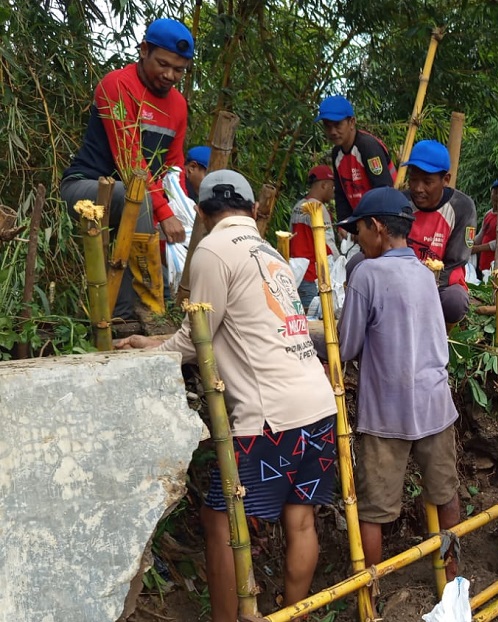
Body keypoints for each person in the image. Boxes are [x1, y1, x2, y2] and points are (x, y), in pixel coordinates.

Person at [116, 170, 338, 622]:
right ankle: (293, 614)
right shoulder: (271, 252)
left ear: (200, 213)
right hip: (318, 404)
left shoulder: (212, 250)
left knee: (220, 523)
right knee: (301, 521)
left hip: (270, 415)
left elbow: (197, 337)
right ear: (255, 210)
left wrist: (149, 346)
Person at [335, 186, 461, 581]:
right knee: (445, 493)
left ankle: (370, 593)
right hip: (435, 405)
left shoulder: (366, 273)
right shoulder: (425, 274)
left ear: (376, 227)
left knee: (374, 509)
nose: (357, 241)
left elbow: (347, 346)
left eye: (358, 232)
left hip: (386, 413)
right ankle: (454, 575)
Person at [61, 18, 193, 319]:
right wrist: (164, 212)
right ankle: (140, 311)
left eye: (180, 70)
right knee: (136, 197)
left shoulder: (179, 105)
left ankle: (151, 309)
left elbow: (174, 167)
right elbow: (129, 159)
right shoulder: (117, 85)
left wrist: (181, 207)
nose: (170, 75)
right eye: (163, 64)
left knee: (155, 208)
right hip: (87, 186)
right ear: (143, 50)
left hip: (138, 195)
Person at [401, 140, 476, 325]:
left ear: (446, 180)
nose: (418, 188)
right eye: (413, 179)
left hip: (440, 284)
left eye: (427, 182)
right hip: (399, 280)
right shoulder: (400, 202)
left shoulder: (462, 208)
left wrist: (421, 286)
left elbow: (456, 261)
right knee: (357, 263)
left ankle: (442, 339)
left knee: (455, 301)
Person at [316, 95, 396, 222]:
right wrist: (344, 223)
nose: (333, 131)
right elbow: (341, 193)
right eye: (327, 126)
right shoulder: (337, 153)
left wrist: (372, 225)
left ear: (351, 122)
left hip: (383, 219)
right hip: (361, 220)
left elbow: (383, 189)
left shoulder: (368, 147)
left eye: (337, 125)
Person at [288, 165, 339, 309]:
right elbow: (328, 244)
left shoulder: (298, 206)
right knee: (314, 322)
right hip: (312, 275)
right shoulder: (318, 209)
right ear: (324, 185)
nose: (333, 191)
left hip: (296, 273)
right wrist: (340, 264)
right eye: (332, 186)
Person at [471, 179, 498, 277]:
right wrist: (469, 244)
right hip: (484, 264)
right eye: (495, 193)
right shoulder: (488, 214)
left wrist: (477, 249)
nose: (497, 196)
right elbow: (481, 236)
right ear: (491, 194)